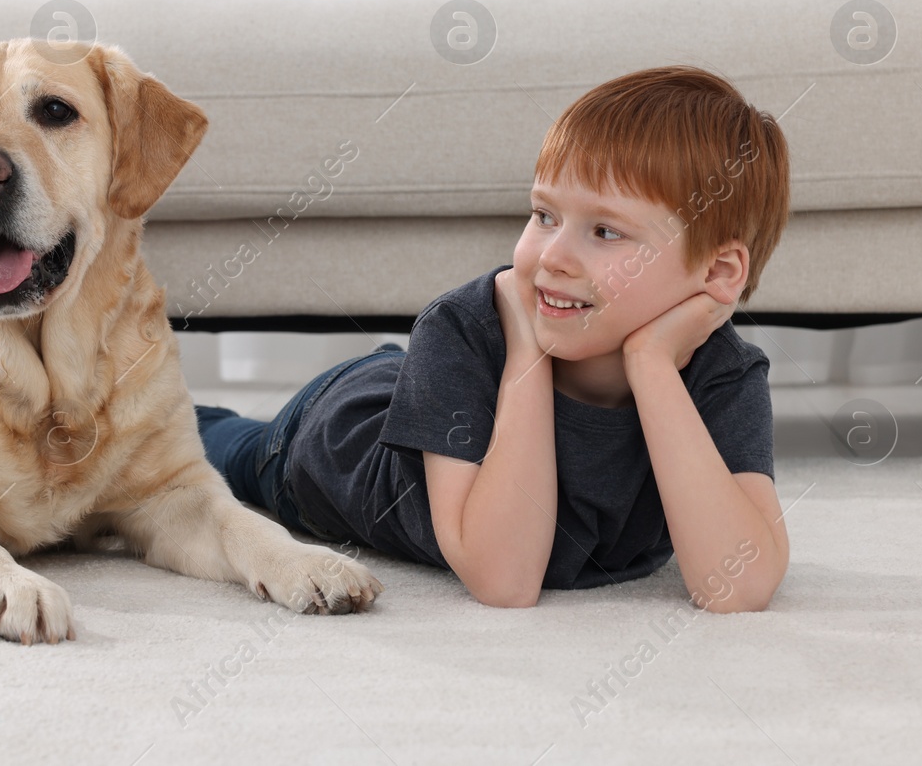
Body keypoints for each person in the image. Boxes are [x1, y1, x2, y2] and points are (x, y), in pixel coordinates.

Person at [196, 65, 793, 611]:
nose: (552, 256)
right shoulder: (463, 330)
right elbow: (504, 580)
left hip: (429, 387)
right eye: (544, 215)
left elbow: (738, 585)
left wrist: (652, 366)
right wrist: (527, 350)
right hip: (334, 433)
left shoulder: (723, 374)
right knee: (218, 450)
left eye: (606, 231)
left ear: (718, 275)